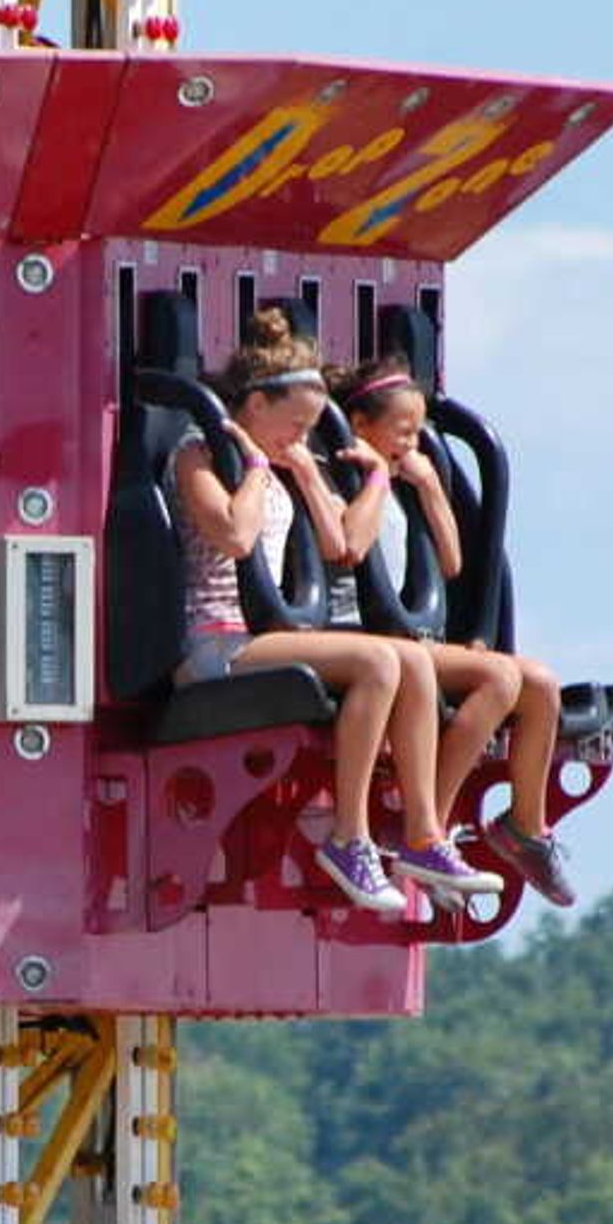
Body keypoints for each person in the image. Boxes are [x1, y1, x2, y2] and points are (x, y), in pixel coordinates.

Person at [169, 331, 478, 917]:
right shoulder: (198, 456)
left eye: (310, 428)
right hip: (210, 644)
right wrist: (260, 467)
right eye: (294, 425)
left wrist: (309, 472)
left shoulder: (285, 461)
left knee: (408, 658)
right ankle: (348, 837)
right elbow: (234, 537)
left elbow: (341, 544)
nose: (300, 439)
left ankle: (422, 836)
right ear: (255, 407)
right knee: (379, 660)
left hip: (260, 636)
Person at [328, 356, 576, 908]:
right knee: (496, 680)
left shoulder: (404, 478)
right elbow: (352, 550)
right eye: (403, 432)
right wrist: (373, 477)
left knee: (538, 684)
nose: (411, 443)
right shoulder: (347, 469)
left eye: (419, 433)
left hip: (407, 638)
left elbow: (452, 560)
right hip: (363, 634)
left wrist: (429, 487)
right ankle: (428, 829)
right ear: (361, 425)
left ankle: (524, 829)